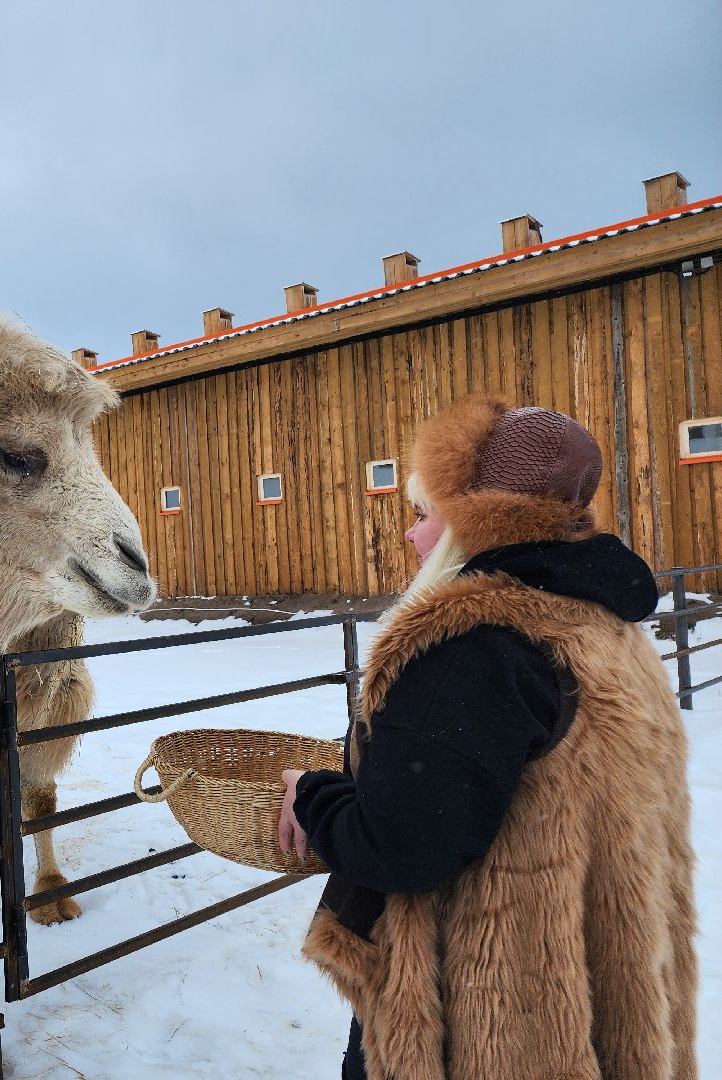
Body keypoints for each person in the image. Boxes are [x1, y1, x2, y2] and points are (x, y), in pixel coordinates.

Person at [277, 395, 697, 1080]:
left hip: (489, 1020)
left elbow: (402, 845)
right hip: (596, 986)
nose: (411, 537)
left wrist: (311, 796)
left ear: (472, 519)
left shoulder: (471, 648)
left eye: (422, 514)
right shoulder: (604, 624)